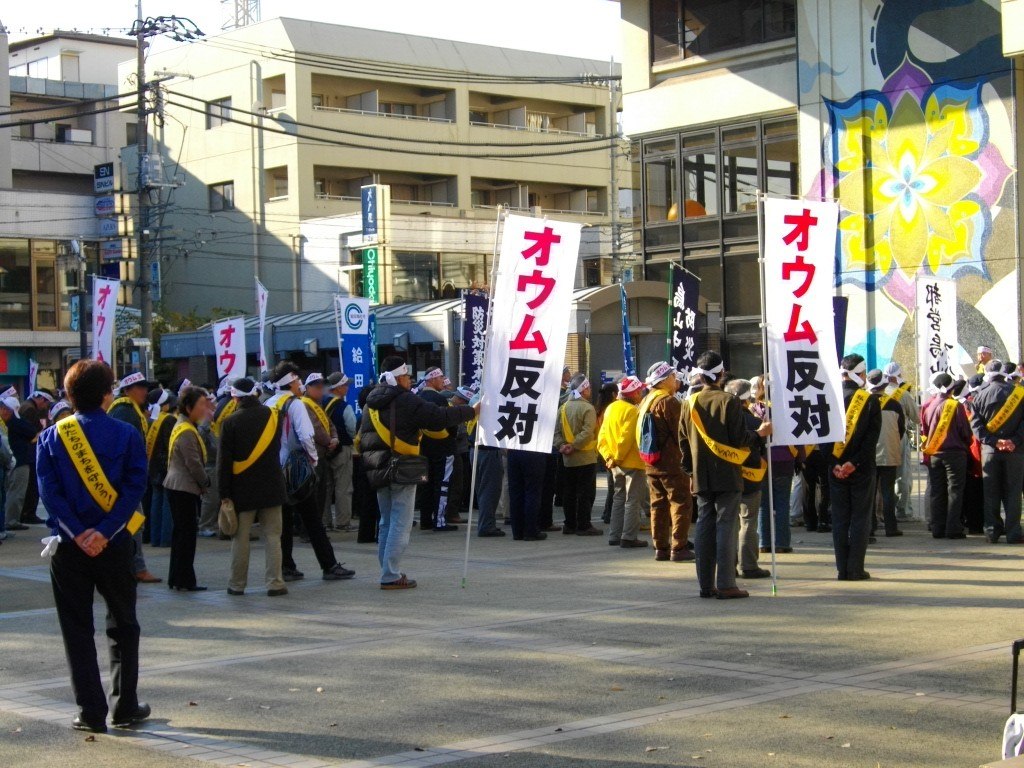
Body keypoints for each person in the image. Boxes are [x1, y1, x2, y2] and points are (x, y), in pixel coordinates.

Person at [35, 360, 150, 733]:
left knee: (76, 627)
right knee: (123, 623)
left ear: (68, 395)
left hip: (69, 546)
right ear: (106, 394)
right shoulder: (127, 434)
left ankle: (90, 712)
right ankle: (125, 706)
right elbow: (135, 487)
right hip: (114, 543)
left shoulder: (52, 436)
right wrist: (104, 531)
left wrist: (78, 532)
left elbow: (49, 493)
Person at [360, 356, 478, 588]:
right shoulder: (404, 400)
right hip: (401, 465)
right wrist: (470, 412)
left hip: (376, 466)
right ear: (398, 377)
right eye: (406, 376)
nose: (409, 380)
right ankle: (391, 575)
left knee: (385, 521)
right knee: (400, 523)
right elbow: (437, 418)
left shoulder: (370, 402)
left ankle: (387, 569)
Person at [680, 351, 771, 599]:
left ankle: (706, 585)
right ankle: (726, 583)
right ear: (721, 374)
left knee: (703, 527)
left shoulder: (689, 403)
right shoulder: (729, 401)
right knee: (725, 527)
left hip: (701, 474)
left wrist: (689, 471)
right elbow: (740, 439)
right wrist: (759, 435)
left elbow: (683, 442)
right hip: (728, 474)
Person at [266, 362, 355, 582]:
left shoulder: (269, 402)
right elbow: (307, 436)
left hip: (276, 470)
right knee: (313, 521)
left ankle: (286, 566)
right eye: (297, 381)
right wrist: (313, 463)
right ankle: (329, 565)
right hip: (297, 470)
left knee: (284, 522)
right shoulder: (295, 405)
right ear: (290, 382)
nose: (299, 385)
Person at [218, 377, 288, 596]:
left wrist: (224, 493)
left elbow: (224, 463)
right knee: (273, 536)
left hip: (242, 488)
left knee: (240, 538)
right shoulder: (274, 416)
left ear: (234, 397)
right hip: (272, 484)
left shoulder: (230, 422)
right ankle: (275, 583)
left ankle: (237, 584)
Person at [830, 355, 883, 581]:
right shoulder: (869, 401)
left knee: (840, 519)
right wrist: (854, 462)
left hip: (834, 469)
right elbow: (871, 440)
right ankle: (856, 568)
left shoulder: (829, 398)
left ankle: (842, 569)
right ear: (861, 374)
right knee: (860, 518)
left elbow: (823, 438)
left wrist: (834, 464)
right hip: (861, 468)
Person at [107, 372, 160, 584]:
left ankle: (129, 566)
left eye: (145, 387)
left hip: (123, 480)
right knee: (135, 524)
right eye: (140, 387)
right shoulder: (125, 412)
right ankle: (135, 567)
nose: (144, 391)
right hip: (125, 482)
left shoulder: (125, 410)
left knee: (132, 524)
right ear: (128, 390)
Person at [638, 361, 694, 562]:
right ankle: (679, 547)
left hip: (651, 462)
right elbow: (682, 432)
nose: (676, 379)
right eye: (672, 376)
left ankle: (660, 547)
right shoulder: (668, 402)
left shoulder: (646, 400)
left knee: (658, 505)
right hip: (672, 463)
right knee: (680, 502)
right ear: (664, 380)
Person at [162, 386, 212, 592]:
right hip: (183, 488)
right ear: (189, 406)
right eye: (201, 404)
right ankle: (184, 579)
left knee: (181, 535)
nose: (204, 408)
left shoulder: (185, 425)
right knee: (186, 536)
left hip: (179, 487)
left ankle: (177, 578)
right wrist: (206, 482)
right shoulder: (185, 430)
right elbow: (194, 464)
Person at [969, 359, 1024, 544]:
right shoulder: (1018, 393)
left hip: (990, 452)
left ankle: (992, 531)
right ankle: (1014, 532)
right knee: (1013, 493)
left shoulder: (979, 395)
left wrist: (994, 441)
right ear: (1004, 373)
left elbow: (976, 427)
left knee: (991, 493)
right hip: (1015, 451)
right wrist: (1013, 441)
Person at [724, 378, 770, 579]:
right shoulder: (754, 422)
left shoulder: (721, 420)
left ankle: (728, 565)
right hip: (750, 477)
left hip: (728, 476)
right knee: (749, 521)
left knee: (729, 522)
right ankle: (749, 565)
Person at [597, 375, 648, 548]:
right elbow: (626, 438)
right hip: (631, 462)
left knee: (618, 498)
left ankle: (614, 534)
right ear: (633, 393)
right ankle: (628, 536)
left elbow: (602, 436)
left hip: (614, 463)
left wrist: (609, 458)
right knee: (632, 500)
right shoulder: (633, 410)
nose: (641, 392)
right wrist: (617, 457)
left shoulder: (611, 408)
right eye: (639, 390)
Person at [920, 372, 972, 539]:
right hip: (954, 453)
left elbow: (925, 431)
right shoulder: (954, 405)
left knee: (937, 491)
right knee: (955, 490)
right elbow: (965, 431)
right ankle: (953, 527)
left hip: (934, 453)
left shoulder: (928, 405)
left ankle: (937, 527)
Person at [750, 373, 798, 555]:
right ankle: (782, 543)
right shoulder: (787, 407)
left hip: (762, 459)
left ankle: (763, 542)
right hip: (785, 458)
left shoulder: (753, 408)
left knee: (763, 503)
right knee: (782, 502)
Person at [554, 374, 602, 536]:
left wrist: (562, 446)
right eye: (587, 387)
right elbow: (588, 433)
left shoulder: (563, 407)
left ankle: (569, 524)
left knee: (569, 491)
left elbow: (556, 432)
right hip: (585, 456)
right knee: (585, 492)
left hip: (567, 458)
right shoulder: (588, 408)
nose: (590, 390)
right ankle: (584, 525)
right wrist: (574, 446)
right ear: (583, 390)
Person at [417, 368, 462, 532]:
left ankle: (425, 519)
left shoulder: (417, 398)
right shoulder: (440, 399)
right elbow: (450, 424)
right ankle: (440, 520)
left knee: (425, 484)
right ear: (432, 379)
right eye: (441, 377)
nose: (443, 380)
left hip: (423, 448)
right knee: (442, 484)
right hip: (443, 448)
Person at [866, 370, 906, 538]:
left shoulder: (863, 403)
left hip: (868, 454)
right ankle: (891, 527)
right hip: (890, 453)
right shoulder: (895, 404)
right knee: (888, 491)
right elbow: (901, 429)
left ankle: (870, 526)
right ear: (884, 385)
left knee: (870, 492)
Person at [299, 372, 339, 538]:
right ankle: (309, 531)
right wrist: (329, 441)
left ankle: (315, 529)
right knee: (312, 495)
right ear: (307, 388)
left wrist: (334, 438)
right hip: (311, 456)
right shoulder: (304, 404)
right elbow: (315, 429)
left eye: (322, 387)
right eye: (316, 387)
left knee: (321, 494)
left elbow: (329, 424)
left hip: (322, 454)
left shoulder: (318, 404)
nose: (320, 390)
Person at [883, 362, 918, 520]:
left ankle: (880, 512)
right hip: (899, 436)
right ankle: (903, 510)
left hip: (878, 438)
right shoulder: (903, 394)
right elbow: (916, 418)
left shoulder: (875, 393)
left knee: (880, 476)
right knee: (902, 474)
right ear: (899, 376)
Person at [323, 373, 356, 532]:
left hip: (323, 451)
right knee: (343, 487)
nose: (348, 388)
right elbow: (352, 429)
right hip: (342, 449)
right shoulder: (344, 407)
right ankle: (343, 522)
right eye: (345, 385)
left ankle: (325, 521)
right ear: (339, 388)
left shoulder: (318, 404)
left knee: (325, 487)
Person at [145, 388, 176, 549]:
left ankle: (154, 537)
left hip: (152, 466)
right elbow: (169, 445)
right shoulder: (169, 420)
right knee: (166, 504)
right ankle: (166, 539)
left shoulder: (150, 419)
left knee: (155, 503)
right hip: (165, 466)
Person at [3, 395, 38, 533]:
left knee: (13, 491)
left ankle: (11, 519)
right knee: (16, 492)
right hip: (18, 461)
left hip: (14, 460)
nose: (3, 411)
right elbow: (32, 431)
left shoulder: (13, 423)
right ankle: (11, 521)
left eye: (5, 408)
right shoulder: (15, 423)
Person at [19, 389, 54, 525]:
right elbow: (32, 432)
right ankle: (28, 513)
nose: (45, 407)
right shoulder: (30, 410)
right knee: (32, 485)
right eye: (46, 403)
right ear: (41, 399)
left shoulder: (26, 406)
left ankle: (26, 513)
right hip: (30, 452)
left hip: (26, 451)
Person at [353, 384, 380, 544]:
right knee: (376, 499)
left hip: (363, 459)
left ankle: (364, 534)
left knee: (366, 499)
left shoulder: (360, 417)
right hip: (375, 460)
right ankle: (376, 533)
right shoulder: (373, 415)